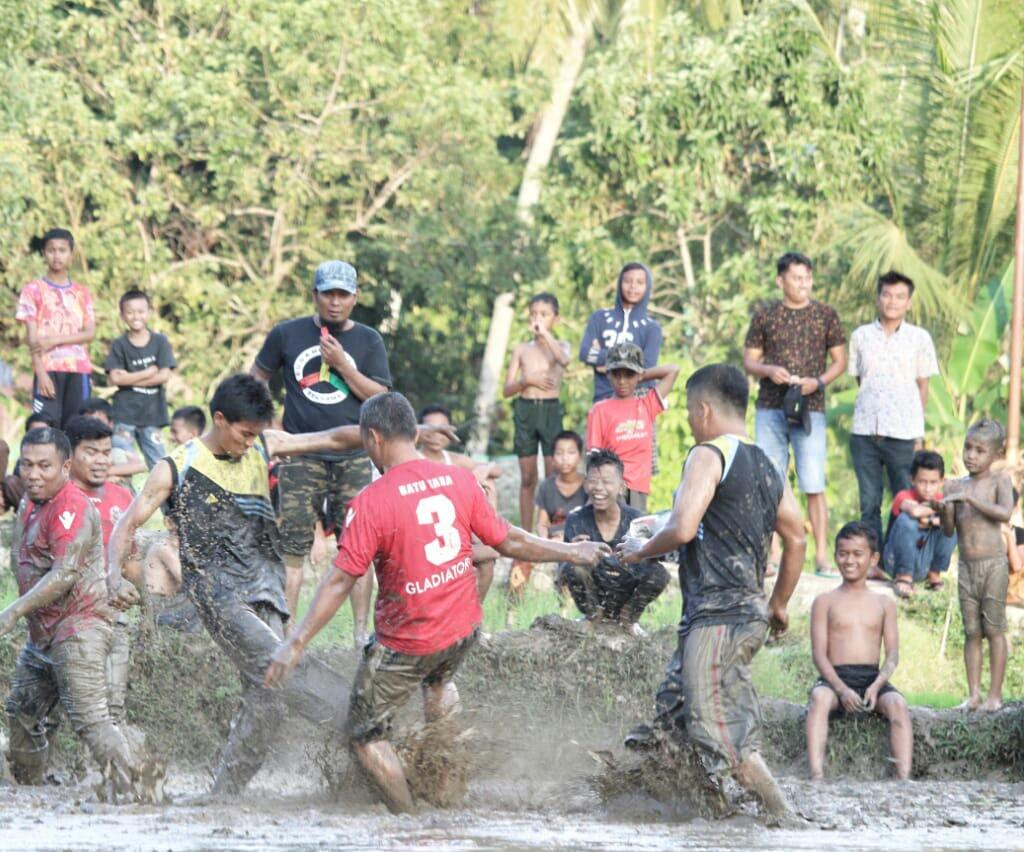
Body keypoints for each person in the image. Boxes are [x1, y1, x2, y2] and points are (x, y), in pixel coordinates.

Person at [263, 392, 610, 814]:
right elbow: (509, 539)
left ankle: (410, 816)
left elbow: (339, 580)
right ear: (414, 432)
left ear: (372, 438)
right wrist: (573, 552)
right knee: (438, 685)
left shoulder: (371, 501)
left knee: (364, 734)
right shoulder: (459, 480)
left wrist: (295, 642)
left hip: (412, 639)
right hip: (462, 630)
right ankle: (448, 795)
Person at [107, 375, 453, 796]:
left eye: (256, 434)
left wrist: (403, 437)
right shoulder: (175, 467)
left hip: (267, 589)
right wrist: (112, 576)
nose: (250, 443)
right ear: (219, 419)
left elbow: (333, 437)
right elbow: (127, 524)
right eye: (244, 434)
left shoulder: (264, 446)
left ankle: (223, 794)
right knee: (284, 666)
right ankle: (368, 728)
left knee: (267, 697)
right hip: (220, 598)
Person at [618, 364, 806, 818]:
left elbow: (683, 528)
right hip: (738, 617)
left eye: (687, 410)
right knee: (670, 718)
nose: (687, 420)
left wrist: (641, 550)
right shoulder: (768, 463)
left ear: (703, 409)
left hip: (717, 620)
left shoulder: (706, 454)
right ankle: (676, 808)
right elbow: (797, 537)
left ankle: (786, 820)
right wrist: (778, 605)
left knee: (723, 733)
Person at [0, 427, 159, 800]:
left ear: (65, 466)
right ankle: (29, 791)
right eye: (27, 465)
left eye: (44, 466)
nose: (34, 474)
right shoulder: (28, 502)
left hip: (79, 627)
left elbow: (65, 573)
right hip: (43, 633)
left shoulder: (70, 505)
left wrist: (11, 613)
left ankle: (142, 788)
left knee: (91, 721)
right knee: (22, 711)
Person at [252, 260, 391, 642]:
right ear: (314, 295)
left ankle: (361, 635)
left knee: (358, 550)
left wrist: (344, 366)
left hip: (354, 456)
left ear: (355, 299)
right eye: (327, 293)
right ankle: (285, 633)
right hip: (299, 454)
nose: (334, 302)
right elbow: (257, 376)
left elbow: (382, 398)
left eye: (342, 295)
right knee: (292, 548)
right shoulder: (287, 334)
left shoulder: (368, 341)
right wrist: (266, 426)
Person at [743, 252, 846, 575]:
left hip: (810, 408)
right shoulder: (766, 316)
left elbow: (839, 362)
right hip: (770, 407)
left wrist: (818, 382)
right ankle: (772, 554)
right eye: (796, 278)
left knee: (813, 483)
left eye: (807, 278)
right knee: (770, 479)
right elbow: (750, 361)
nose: (803, 284)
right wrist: (769, 370)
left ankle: (821, 558)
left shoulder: (825, 315)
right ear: (781, 281)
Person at [806, 522, 912, 781]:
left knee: (898, 704)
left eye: (857, 554)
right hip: (835, 679)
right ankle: (816, 775)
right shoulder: (824, 602)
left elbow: (893, 655)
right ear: (835, 556)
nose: (849, 560)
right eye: (843, 554)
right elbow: (819, 655)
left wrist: (877, 686)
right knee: (819, 699)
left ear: (873, 558)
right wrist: (840, 689)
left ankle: (904, 777)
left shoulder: (884, 603)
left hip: (872, 678)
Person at [849, 271, 940, 547]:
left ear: (909, 302)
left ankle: (896, 557)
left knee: (903, 500)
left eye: (900, 296)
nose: (892, 301)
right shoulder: (861, 336)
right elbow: (860, 379)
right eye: (887, 295)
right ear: (878, 298)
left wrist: (917, 432)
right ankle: (873, 558)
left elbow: (922, 386)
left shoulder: (919, 338)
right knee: (869, 501)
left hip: (902, 435)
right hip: (865, 432)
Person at [935, 419, 1015, 711]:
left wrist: (970, 499)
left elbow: (1004, 514)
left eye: (980, 450)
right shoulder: (955, 485)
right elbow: (947, 529)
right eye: (968, 448)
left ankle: (994, 695)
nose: (971, 455)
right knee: (971, 631)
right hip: (966, 566)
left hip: (993, 565)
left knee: (994, 629)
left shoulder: (999, 481)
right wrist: (945, 509)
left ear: (995, 454)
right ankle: (973, 694)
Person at [64, 415, 138, 728]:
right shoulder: (59, 496)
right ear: (70, 456)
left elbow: (132, 558)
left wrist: (146, 610)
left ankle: (107, 775)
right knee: (66, 707)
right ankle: (53, 770)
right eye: (91, 452)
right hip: (69, 619)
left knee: (114, 702)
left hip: (115, 616)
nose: (101, 460)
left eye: (106, 453)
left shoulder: (123, 497)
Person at [559, 449, 668, 635]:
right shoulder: (576, 520)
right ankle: (593, 617)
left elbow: (655, 562)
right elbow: (562, 573)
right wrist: (572, 553)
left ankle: (628, 618)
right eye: (593, 481)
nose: (599, 488)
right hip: (594, 590)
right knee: (573, 567)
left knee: (659, 573)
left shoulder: (638, 521)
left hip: (627, 587)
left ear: (622, 487)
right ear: (585, 485)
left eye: (607, 482)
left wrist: (639, 552)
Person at [417, 403, 503, 599]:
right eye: (431, 429)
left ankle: (474, 619)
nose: (436, 435)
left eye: (442, 430)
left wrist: (483, 470)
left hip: (460, 531)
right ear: (420, 430)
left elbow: (497, 470)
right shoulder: (413, 460)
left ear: (450, 433)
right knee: (490, 553)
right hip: (427, 536)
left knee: (488, 482)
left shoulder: (454, 459)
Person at [502, 293, 570, 532]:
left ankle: (551, 529)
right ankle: (525, 531)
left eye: (544, 314)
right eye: (533, 314)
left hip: (550, 410)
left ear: (556, 319)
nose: (537, 319)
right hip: (526, 410)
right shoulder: (521, 349)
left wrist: (545, 334)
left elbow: (564, 360)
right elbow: (507, 389)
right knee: (528, 476)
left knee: (553, 473)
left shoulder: (560, 346)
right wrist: (526, 380)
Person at [17, 228, 96, 428]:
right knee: (43, 427)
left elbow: (89, 333)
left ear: (71, 254)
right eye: (51, 250)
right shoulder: (32, 290)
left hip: (78, 369)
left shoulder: (82, 293)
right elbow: (33, 340)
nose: (57, 255)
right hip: (48, 368)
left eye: (62, 250)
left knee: (76, 428)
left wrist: (54, 340)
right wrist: (41, 373)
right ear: (44, 252)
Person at [585, 343, 679, 511]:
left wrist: (641, 374)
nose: (622, 381)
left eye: (629, 375)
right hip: (610, 487)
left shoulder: (647, 404)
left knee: (634, 534)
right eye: (617, 374)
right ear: (609, 375)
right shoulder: (599, 410)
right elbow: (594, 457)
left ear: (638, 376)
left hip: (638, 489)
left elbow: (673, 370)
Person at [104, 289, 176, 469]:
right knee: (121, 459)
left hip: (153, 414)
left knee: (159, 463)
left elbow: (164, 376)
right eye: (130, 312)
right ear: (122, 315)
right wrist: (147, 372)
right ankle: (127, 496)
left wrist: (128, 378)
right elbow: (115, 378)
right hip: (125, 414)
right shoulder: (119, 344)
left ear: (149, 312)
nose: (136, 316)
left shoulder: (160, 341)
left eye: (141, 311)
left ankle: (161, 498)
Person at [579, 262, 663, 403]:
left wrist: (606, 361)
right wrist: (632, 361)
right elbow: (584, 353)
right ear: (619, 284)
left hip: (639, 403)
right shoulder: (599, 318)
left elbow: (647, 367)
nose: (633, 286)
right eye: (627, 281)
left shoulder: (652, 328)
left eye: (640, 282)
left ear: (648, 287)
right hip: (603, 400)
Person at [882, 450, 956, 596]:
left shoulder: (942, 498)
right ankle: (904, 578)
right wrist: (938, 512)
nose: (928, 488)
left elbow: (954, 516)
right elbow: (915, 512)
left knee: (951, 526)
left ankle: (933, 575)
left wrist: (928, 521)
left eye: (933, 482)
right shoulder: (903, 496)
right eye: (922, 482)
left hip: (923, 561)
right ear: (912, 480)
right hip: (896, 561)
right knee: (906, 521)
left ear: (942, 481)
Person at [535, 430, 586, 541]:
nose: (565, 458)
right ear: (552, 458)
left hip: (583, 542)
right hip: (555, 543)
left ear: (580, 457)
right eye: (559, 453)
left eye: (571, 452)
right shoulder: (546, 487)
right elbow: (541, 524)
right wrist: (545, 541)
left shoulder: (589, 486)